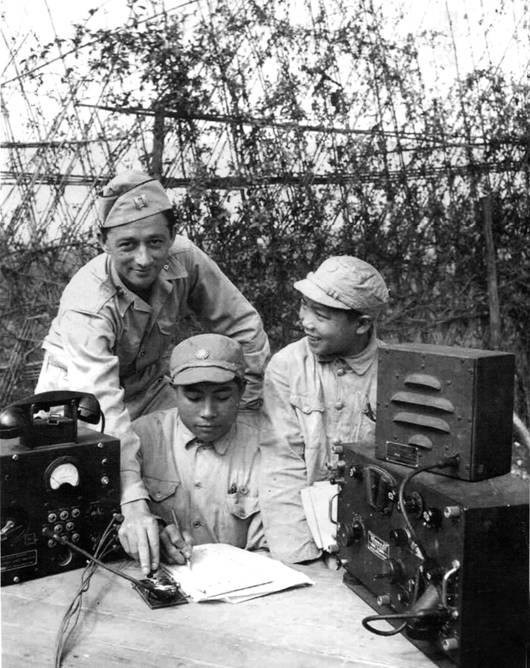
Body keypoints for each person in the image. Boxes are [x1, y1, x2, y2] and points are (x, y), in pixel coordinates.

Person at [35, 171, 270, 573]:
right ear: (103, 242)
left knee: (205, 455)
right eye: (127, 245)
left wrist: (246, 408)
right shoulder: (87, 305)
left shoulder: (187, 259)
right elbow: (104, 409)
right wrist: (132, 500)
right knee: (90, 503)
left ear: (173, 236)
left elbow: (243, 327)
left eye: (156, 242)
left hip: (148, 387)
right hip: (79, 407)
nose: (144, 259)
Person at [259, 256, 389, 563]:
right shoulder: (287, 366)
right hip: (302, 531)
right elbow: (281, 466)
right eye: (305, 305)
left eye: (321, 315)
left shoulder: (394, 373)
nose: (305, 320)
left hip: (375, 535)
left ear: (361, 324)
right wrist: (301, 558)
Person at [127, 333, 266, 567]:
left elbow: (267, 547)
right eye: (193, 398)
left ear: (241, 391)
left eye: (222, 397)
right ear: (174, 391)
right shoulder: (140, 438)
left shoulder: (262, 448)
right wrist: (155, 535)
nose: (208, 412)